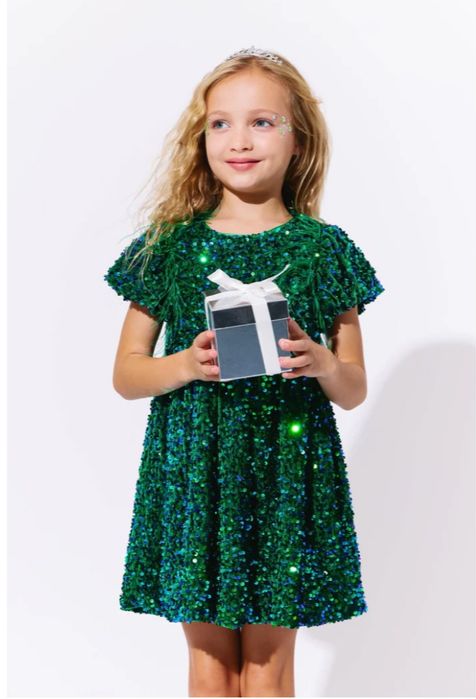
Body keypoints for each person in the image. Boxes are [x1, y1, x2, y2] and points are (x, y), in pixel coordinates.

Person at [104, 45, 385, 698]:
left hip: (287, 477)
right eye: (220, 123)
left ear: (298, 138)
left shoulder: (323, 250)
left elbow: (353, 387)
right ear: (200, 138)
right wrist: (185, 363)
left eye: (262, 121)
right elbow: (126, 373)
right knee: (210, 667)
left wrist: (321, 362)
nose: (240, 139)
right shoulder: (170, 247)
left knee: (267, 667)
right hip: (193, 476)